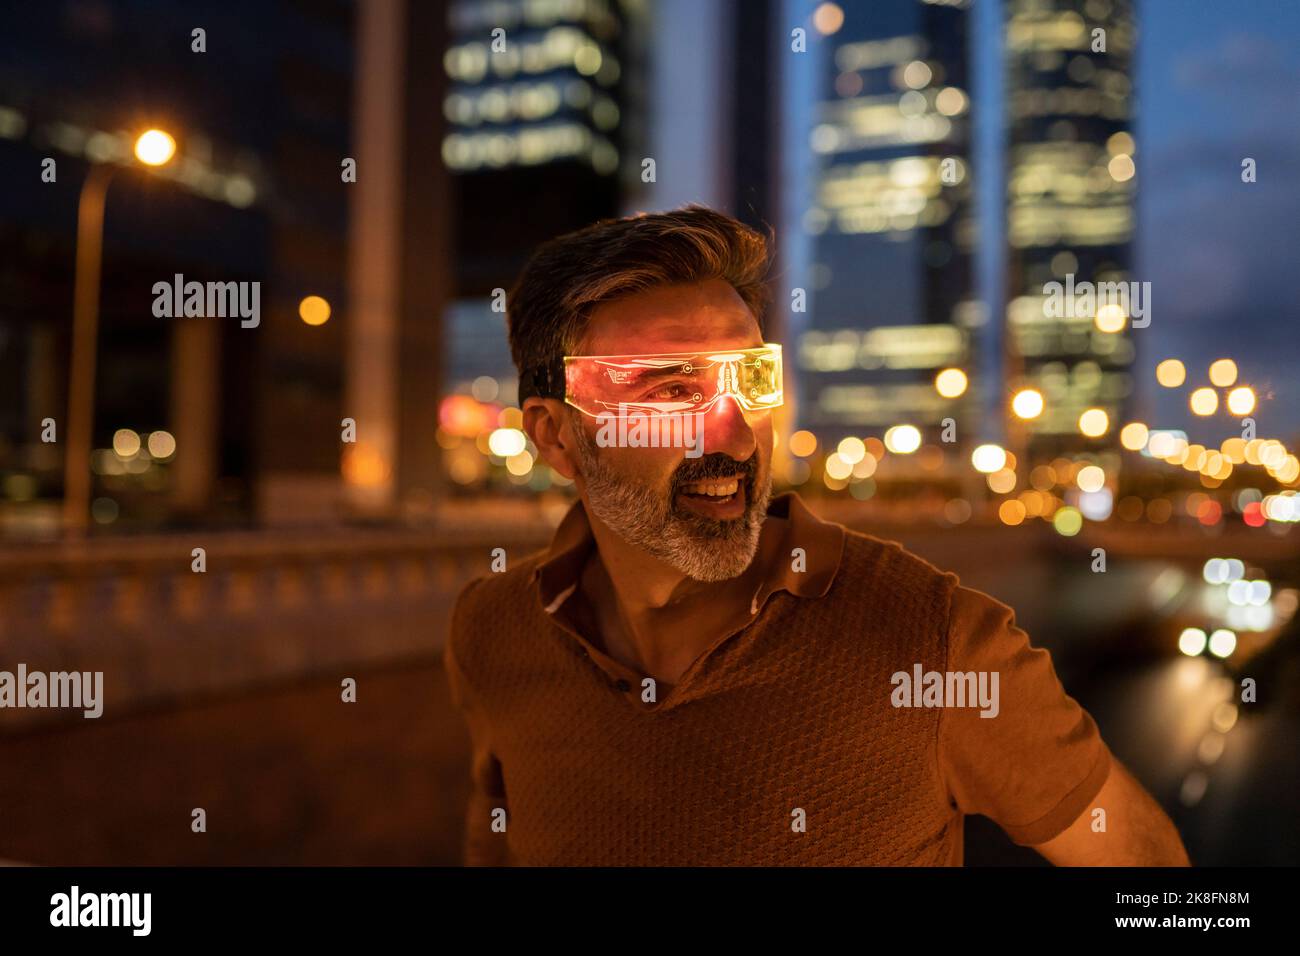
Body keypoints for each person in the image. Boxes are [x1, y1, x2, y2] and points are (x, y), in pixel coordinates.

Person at [444, 205, 1189, 867]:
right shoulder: (494, 631)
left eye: (751, 381)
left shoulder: (934, 640)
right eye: (673, 390)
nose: (734, 435)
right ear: (556, 435)